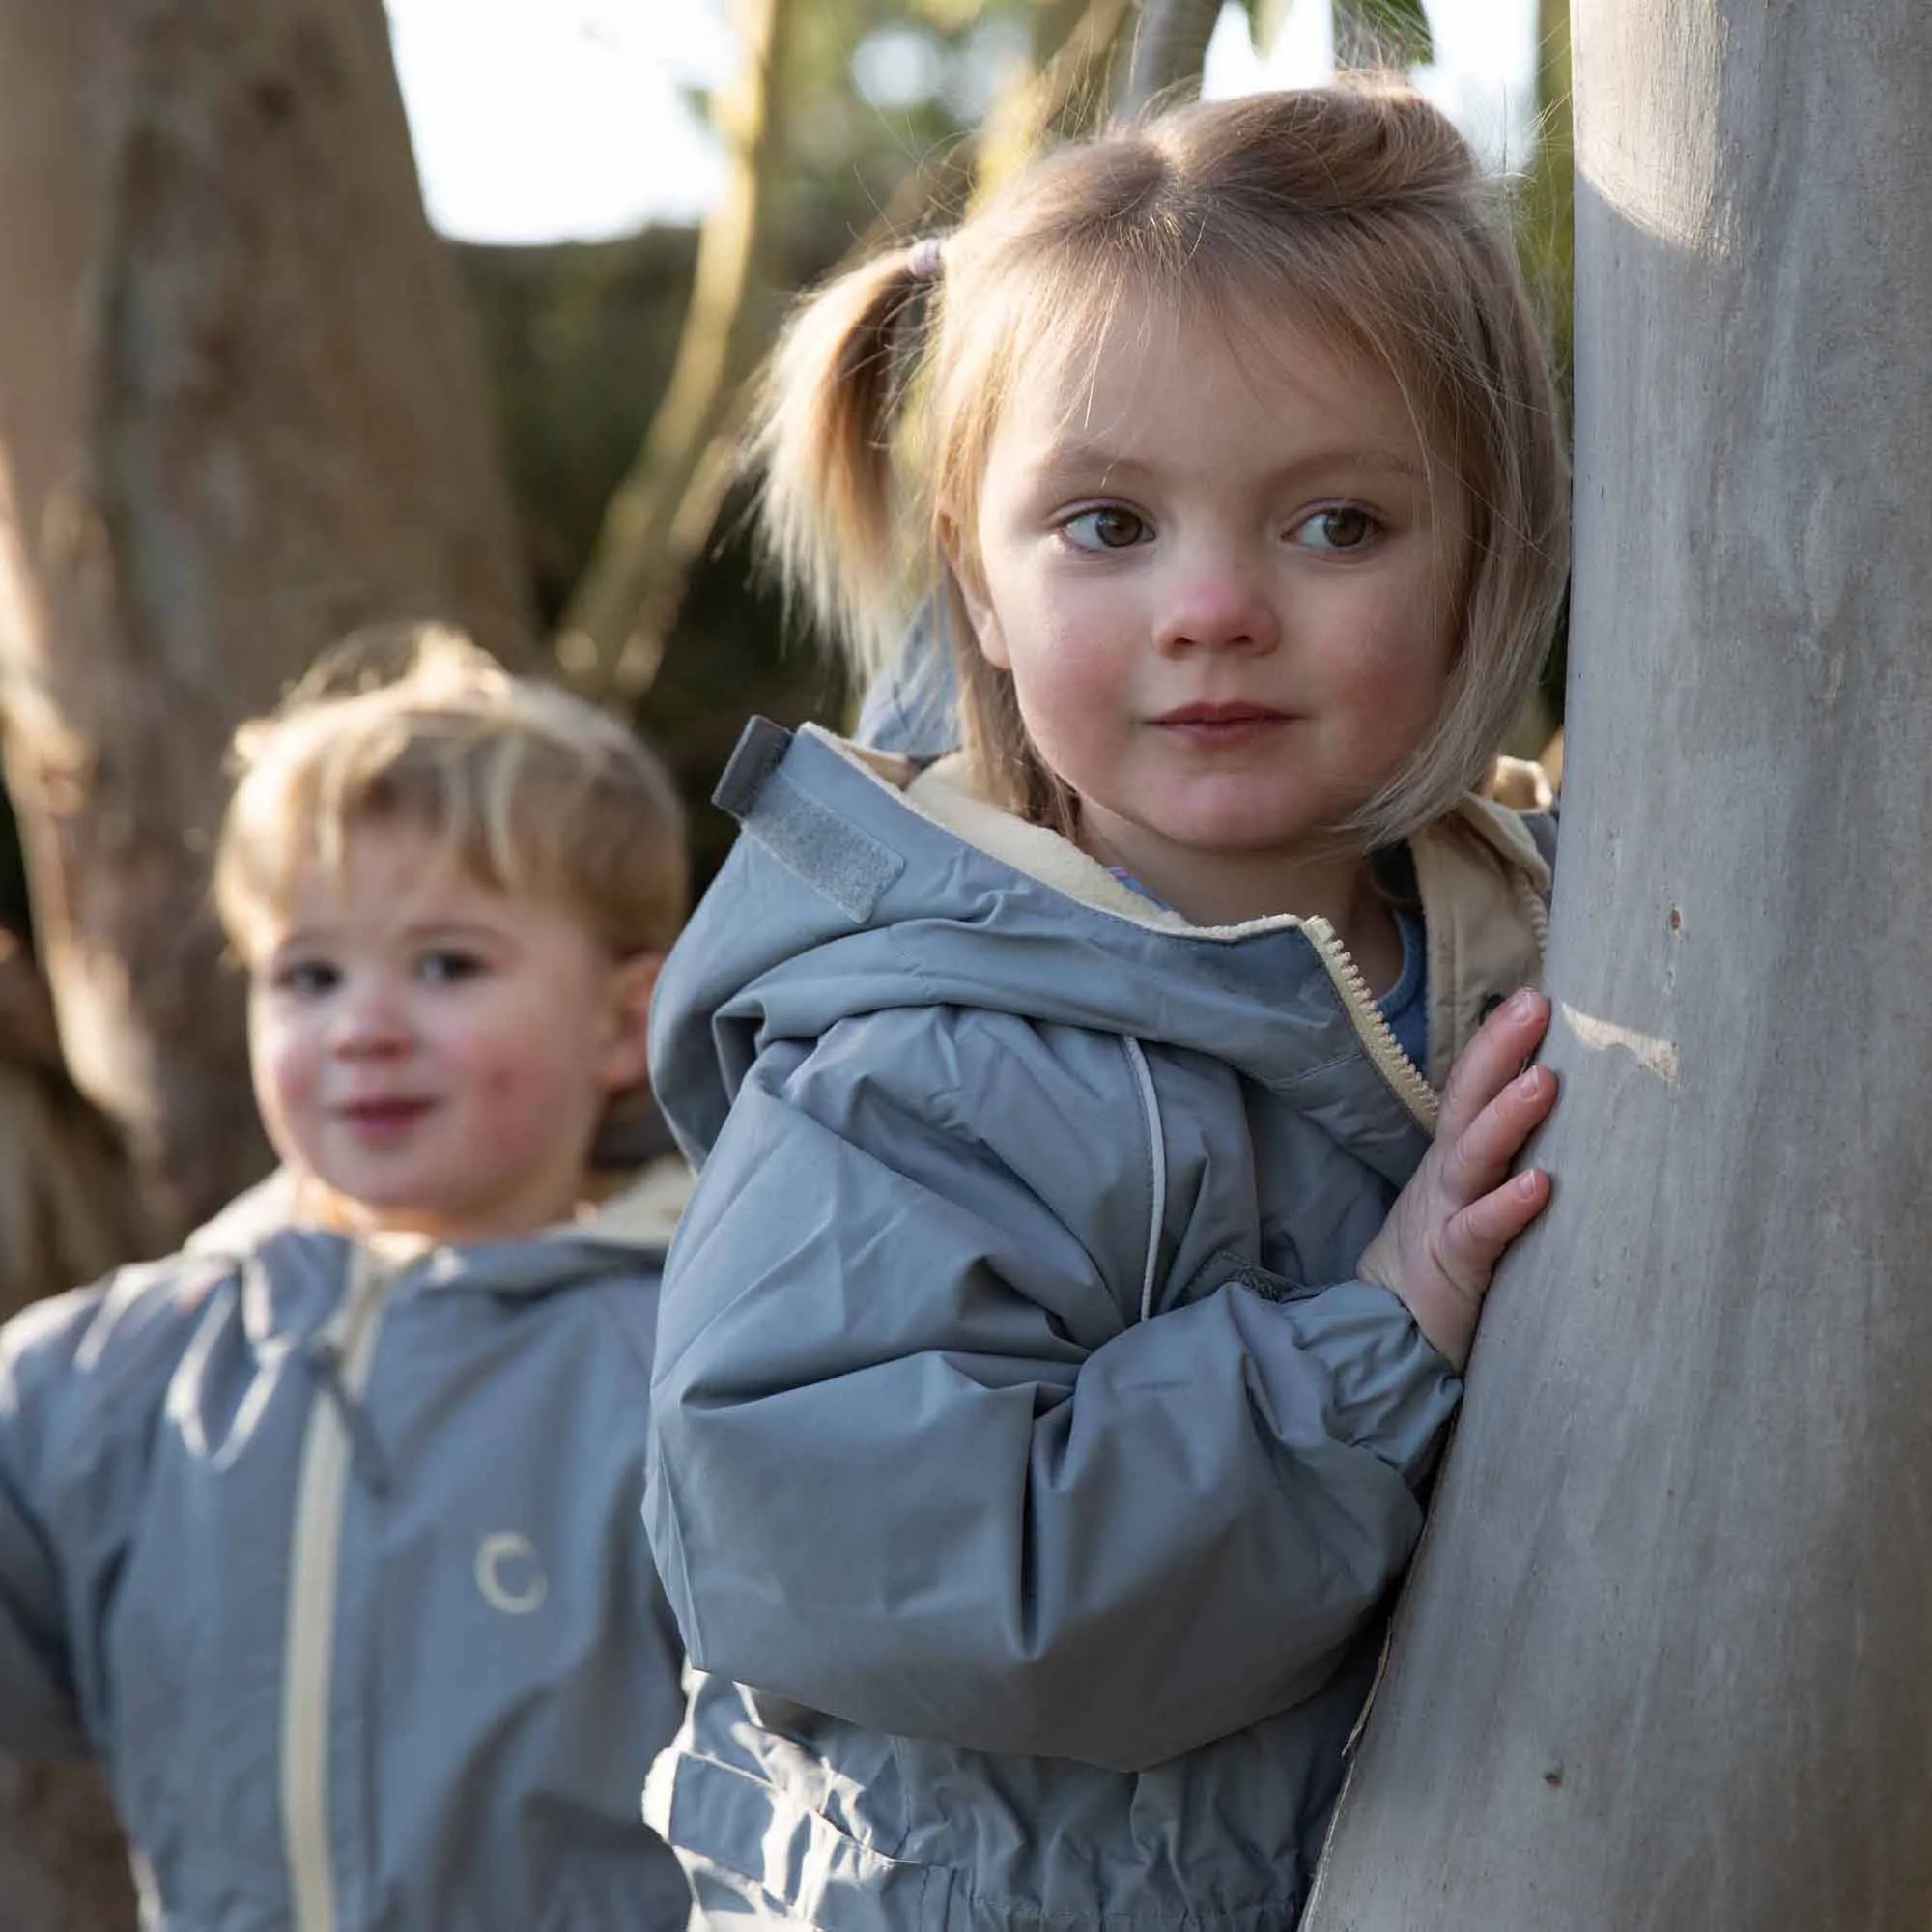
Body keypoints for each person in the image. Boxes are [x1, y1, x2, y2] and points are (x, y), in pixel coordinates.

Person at [642, 83, 1568, 1931]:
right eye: (1107, 524)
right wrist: (1378, 1339)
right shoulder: (923, 1060)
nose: (1215, 606)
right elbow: (858, 1551)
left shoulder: (1563, 943)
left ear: (1495, 549)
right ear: (976, 583)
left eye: (1332, 523)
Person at [0, 627, 696, 1928]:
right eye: (308, 975)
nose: (364, 1027)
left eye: (447, 964)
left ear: (623, 1022)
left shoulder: (693, 1368)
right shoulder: (128, 1377)